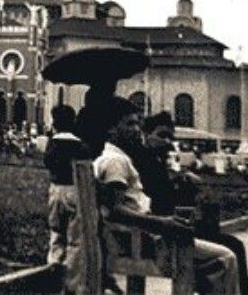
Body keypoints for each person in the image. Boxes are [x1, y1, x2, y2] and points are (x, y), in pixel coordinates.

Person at [94, 98, 240, 295]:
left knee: (214, 259)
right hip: (143, 244)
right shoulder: (116, 161)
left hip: (134, 240)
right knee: (226, 258)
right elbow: (115, 210)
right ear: (111, 129)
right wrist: (163, 223)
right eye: (130, 124)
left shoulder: (109, 157)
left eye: (137, 123)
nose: (137, 129)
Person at [139, 111, 248, 295]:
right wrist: (181, 185)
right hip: (163, 232)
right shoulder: (145, 162)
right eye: (162, 135)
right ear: (146, 134)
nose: (167, 141)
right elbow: (161, 200)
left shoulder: (157, 161)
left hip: (170, 227)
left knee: (231, 246)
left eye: (170, 138)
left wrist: (180, 180)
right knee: (232, 248)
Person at [43, 104, 92, 291]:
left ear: (55, 122)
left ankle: (53, 266)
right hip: (74, 190)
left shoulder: (53, 143)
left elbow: (47, 162)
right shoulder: (80, 145)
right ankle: (71, 281)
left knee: (56, 231)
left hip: (56, 189)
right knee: (75, 237)